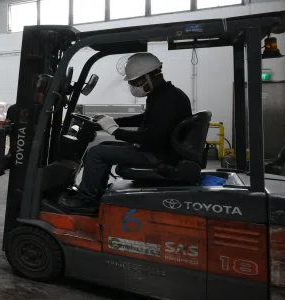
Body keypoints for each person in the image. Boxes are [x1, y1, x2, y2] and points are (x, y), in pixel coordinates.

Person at [59, 52, 192, 215]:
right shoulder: (164, 95)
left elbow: (152, 137)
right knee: (103, 146)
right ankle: (94, 193)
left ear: (150, 76)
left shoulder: (167, 99)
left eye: (135, 81)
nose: (133, 86)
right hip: (160, 150)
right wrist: (113, 121)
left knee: (96, 153)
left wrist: (115, 131)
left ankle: (87, 200)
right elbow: (145, 119)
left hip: (159, 155)